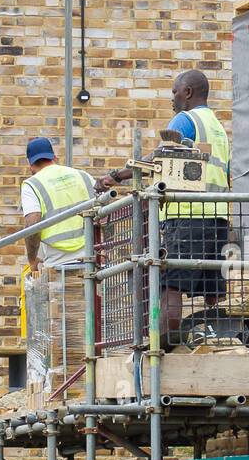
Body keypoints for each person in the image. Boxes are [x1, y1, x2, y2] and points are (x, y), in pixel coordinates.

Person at [98, 70, 231, 338]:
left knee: (169, 286)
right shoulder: (217, 127)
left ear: (188, 92)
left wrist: (115, 176)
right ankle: (218, 343)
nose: (173, 98)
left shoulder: (186, 119)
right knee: (212, 291)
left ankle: (165, 354)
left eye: (175, 92)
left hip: (186, 216)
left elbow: (158, 158)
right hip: (216, 218)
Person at [21, 136, 96, 271]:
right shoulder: (83, 176)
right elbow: (105, 212)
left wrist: (32, 260)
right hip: (90, 257)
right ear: (54, 157)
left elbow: (32, 224)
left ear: (30, 164)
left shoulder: (32, 185)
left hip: (57, 262)